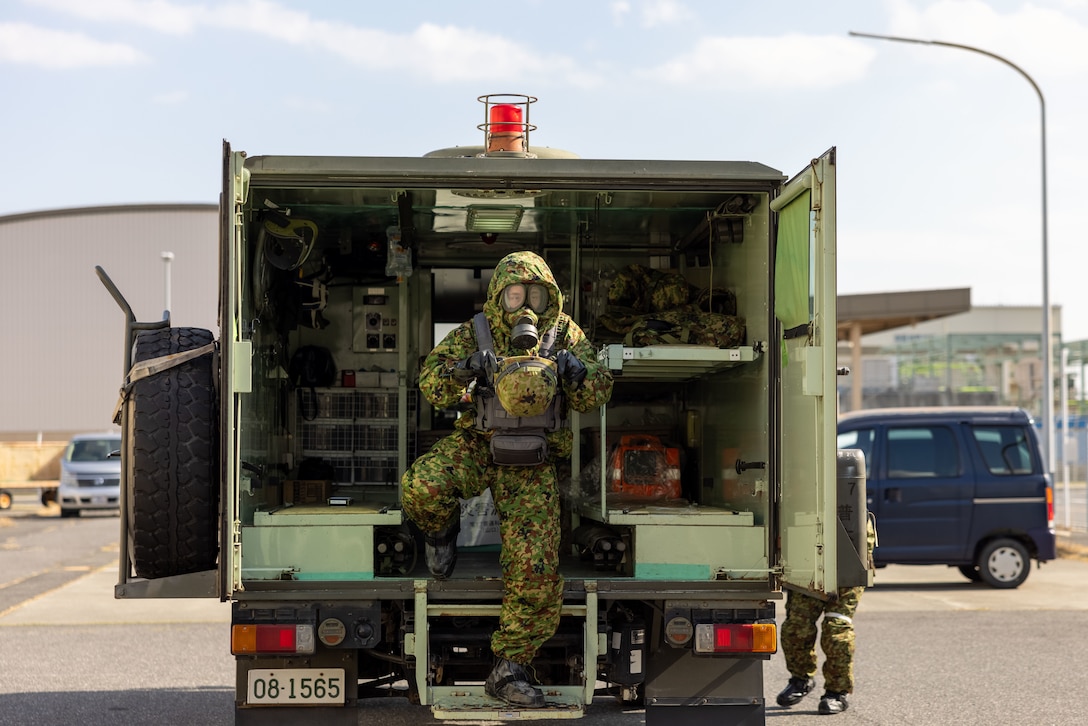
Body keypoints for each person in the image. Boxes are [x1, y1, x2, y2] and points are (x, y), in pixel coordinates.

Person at [401, 250, 613, 708]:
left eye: (536, 295)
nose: (527, 307)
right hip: (480, 443)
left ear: (550, 296)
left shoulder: (564, 333)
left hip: (534, 460)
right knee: (422, 486)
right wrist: (465, 370)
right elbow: (430, 383)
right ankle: (442, 534)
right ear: (500, 298)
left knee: (536, 567)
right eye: (516, 296)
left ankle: (511, 667)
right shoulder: (476, 332)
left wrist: (579, 373)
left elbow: (599, 388)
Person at [776, 517, 877, 715]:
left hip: (849, 561)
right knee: (796, 627)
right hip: (807, 559)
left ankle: (837, 692)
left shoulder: (848, 487)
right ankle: (801, 679)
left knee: (836, 630)